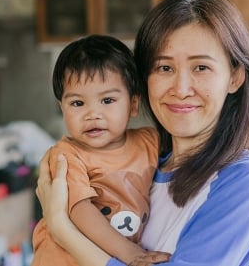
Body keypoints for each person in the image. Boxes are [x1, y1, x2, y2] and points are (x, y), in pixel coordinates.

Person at [36, 0, 249, 266]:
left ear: (234, 77)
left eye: (201, 67)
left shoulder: (244, 181)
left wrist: (62, 228)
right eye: (164, 68)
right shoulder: (146, 166)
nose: (181, 89)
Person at [31, 34, 169, 266]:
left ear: (133, 104)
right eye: (77, 103)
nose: (92, 114)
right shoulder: (66, 155)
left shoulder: (150, 141)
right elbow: (79, 210)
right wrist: (129, 252)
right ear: (62, 108)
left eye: (107, 101)